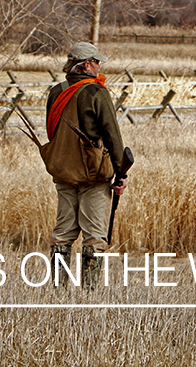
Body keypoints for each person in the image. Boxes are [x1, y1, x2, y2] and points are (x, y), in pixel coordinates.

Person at [43, 42, 127, 289]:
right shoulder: (96, 92)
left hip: (63, 170)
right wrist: (120, 173)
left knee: (63, 233)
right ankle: (89, 292)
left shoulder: (56, 91)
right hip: (93, 174)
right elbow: (112, 135)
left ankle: (58, 290)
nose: (99, 66)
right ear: (87, 64)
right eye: (97, 61)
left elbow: (52, 132)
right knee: (94, 235)